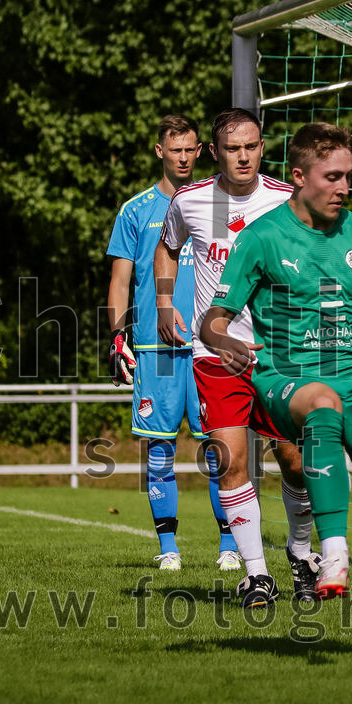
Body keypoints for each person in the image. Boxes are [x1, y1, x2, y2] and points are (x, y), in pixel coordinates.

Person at [201, 122, 352, 663]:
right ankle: (330, 553)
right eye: (332, 177)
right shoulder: (261, 237)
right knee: (323, 404)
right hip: (287, 380)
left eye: (348, 177)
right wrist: (223, 342)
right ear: (298, 176)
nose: (343, 187)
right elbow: (211, 319)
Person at [156, 108, 319, 607]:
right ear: (215, 151)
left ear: (262, 146)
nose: (242, 155)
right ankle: (256, 574)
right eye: (232, 148)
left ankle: (302, 552)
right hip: (215, 354)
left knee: (294, 460)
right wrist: (166, 301)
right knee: (230, 460)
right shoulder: (189, 200)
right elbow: (167, 249)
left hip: (279, 355)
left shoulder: (286, 201)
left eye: (250, 146)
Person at [106, 114, 240, 572]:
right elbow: (120, 281)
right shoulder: (135, 210)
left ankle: (228, 546)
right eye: (175, 149)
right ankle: (168, 549)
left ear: (201, 151)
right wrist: (116, 336)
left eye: (190, 149)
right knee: (159, 447)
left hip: (209, 344)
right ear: (160, 151)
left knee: (219, 446)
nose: (183, 157)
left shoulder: (216, 205)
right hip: (154, 349)